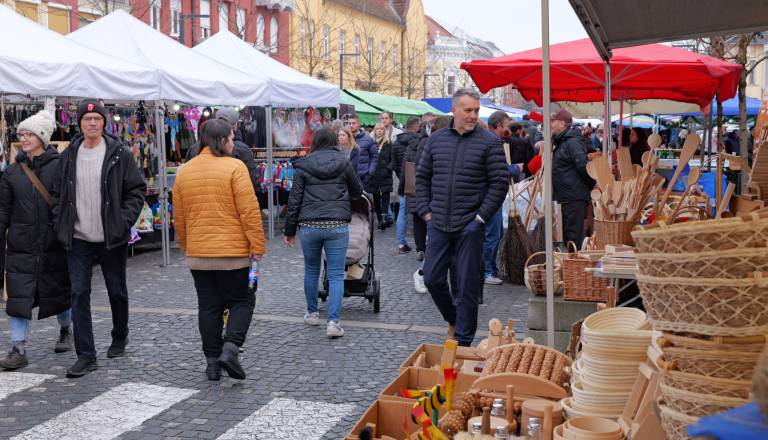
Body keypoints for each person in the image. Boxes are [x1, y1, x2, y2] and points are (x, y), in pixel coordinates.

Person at [53, 100, 146, 378]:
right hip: (78, 236)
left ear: (104, 122)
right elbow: (58, 194)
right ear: (79, 123)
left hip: (111, 236)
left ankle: (120, 335)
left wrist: (123, 220)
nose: (92, 123)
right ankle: (86, 355)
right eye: (87, 118)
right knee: (79, 292)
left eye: (97, 118)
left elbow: (137, 190)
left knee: (116, 290)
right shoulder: (69, 154)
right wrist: (61, 220)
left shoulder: (119, 153)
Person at [174, 119, 265, 381]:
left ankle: (212, 363)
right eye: (232, 137)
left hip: (199, 254)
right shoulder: (235, 167)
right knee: (243, 300)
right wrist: (257, 246)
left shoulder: (184, 171)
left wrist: (187, 247)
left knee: (208, 307)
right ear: (222, 140)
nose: (234, 141)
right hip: (233, 255)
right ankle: (231, 348)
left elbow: (178, 217)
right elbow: (249, 212)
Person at [416, 89, 508, 346]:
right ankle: (454, 320)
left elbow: (499, 184)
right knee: (432, 278)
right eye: (468, 110)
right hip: (438, 223)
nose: (473, 115)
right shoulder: (436, 140)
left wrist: (479, 219)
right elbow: (422, 178)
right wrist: (425, 212)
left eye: (476, 110)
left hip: (470, 224)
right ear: (454, 110)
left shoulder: (489, 142)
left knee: (468, 285)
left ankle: (464, 342)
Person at [0, 111, 72, 370]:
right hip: (21, 246)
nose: (24, 138)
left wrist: (62, 236)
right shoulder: (11, 173)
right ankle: (18, 349)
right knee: (18, 299)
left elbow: (64, 205)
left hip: (52, 245)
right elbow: (3, 211)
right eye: (22, 134)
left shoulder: (60, 166)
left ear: (42, 137)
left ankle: (66, 330)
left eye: (29, 134)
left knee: (59, 293)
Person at [284, 127, 363, 339]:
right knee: (336, 273)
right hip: (337, 224)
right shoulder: (343, 163)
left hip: (309, 226)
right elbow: (357, 191)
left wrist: (289, 230)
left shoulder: (304, 165)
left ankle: (311, 313)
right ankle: (334, 322)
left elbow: (295, 201)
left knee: (311, 270)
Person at [409, 116, 451, 293]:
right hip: (435, 202)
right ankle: (422, 273)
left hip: (444, 201)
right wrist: (425, 209)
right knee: (437, 243)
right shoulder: (427, 144)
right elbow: (419, 175)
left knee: (443, 245)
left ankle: (431, 275)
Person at [186, 107, 259, 192]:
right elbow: (252, 182)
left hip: (199, 197)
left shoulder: (194, 148)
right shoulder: (242, 149)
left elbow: (186, 177)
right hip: (229, 199)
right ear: (235, 125)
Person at [551, 109, 593, 248]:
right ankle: (572, 264)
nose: (551, 124)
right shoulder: (563, 141)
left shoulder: (572, 142)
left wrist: (590, 185)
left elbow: (583, 166)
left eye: (554, 121)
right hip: (569, 195)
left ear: (562, 123)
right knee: (570, 234)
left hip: (574, 196)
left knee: (573, 235)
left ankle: (575, 265)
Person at [483, 111, 513, 285]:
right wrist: (513, 169)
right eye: (506, 125)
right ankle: (487, 271)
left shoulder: (495, 141)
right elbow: (496, 170)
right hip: (491, 195)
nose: (507, 129)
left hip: (494, 195)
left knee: (496, 233)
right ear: (499, 125)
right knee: (492, 235)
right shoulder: (492, 141)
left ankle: (491, 269)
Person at [391, 117, 422, 254]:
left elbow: (395, 164)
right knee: (418, 216)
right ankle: (421, 246)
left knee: (402, 214)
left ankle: (401, 243)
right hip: (415, 182)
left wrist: (401, 181)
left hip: (405, 182)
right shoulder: (418, 142)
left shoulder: (396, 142)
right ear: (416, 127)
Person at [369, 123, 394, 230]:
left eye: (381, 129)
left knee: (385, 195)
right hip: (374, 174)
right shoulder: (371, 144)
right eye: (377, 129)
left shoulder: (389, 144)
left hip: (385, 174)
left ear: (384, 131)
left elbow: (393, 159)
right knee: (376, 197)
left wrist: (388, 168)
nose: (379, 131)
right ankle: (380, 220)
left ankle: (384, 217)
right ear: (374, 131)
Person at [347, 115, 379, 188]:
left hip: (363, 178)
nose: (351, 125)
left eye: (353, 123)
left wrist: (370, 173)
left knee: (362, 199)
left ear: (359, 124)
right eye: (349, 123)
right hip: (348, 177)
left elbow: (374, 157)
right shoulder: (345, 138)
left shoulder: (368, 139)